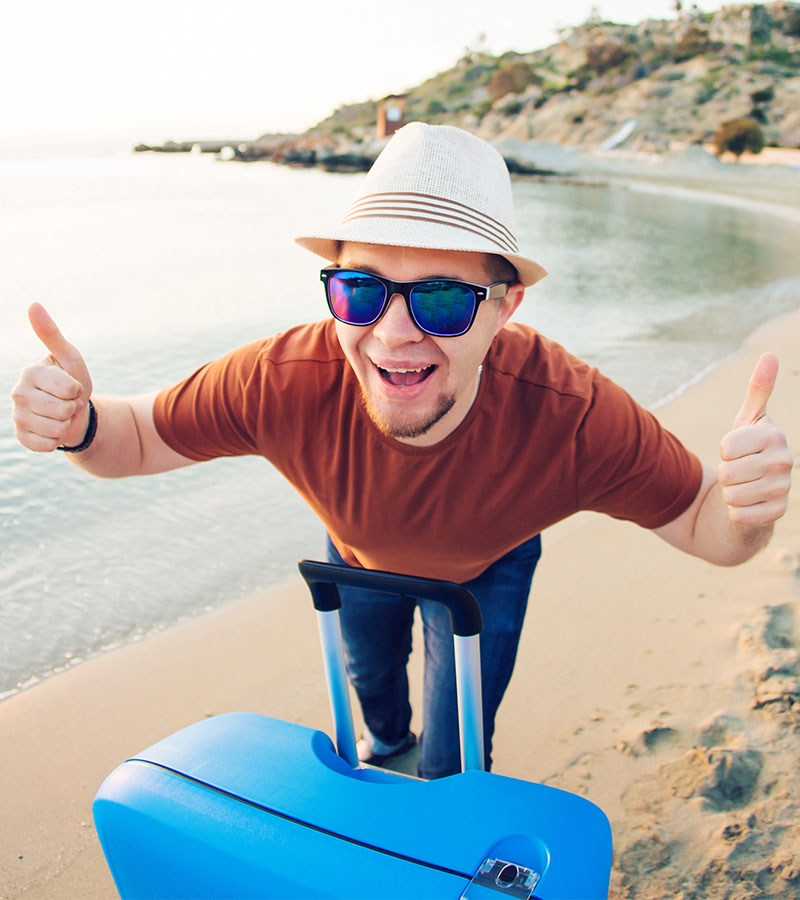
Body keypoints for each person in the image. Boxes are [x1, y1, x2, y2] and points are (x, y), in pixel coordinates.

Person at [11, 124, 793, 779]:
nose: (391, 334)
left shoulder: (570, 415)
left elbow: (706, 524)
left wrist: (745, 511)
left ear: (506, 307)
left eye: (442, 300)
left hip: (489, 567)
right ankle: (389, 745)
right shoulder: (283, 378)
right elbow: (135, 436)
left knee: (457, 757)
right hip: (356, 551)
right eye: (360, 289)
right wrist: (77, 423)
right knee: (373, 693)